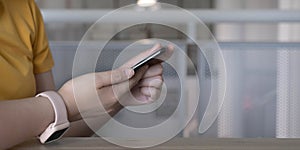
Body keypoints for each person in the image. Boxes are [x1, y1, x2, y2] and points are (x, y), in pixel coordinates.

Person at [0, 0, 173, 149]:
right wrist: (65, 103)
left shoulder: (24, 9)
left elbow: (51, 130)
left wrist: (115, 97)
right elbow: (55, 111)